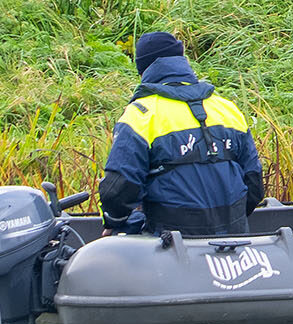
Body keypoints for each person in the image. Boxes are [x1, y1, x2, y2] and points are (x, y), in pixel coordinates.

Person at [99, 31, 265, 236]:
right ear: (182, 62)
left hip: (172, 248)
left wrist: (114, 223)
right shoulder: (227, 109)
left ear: (143, 70)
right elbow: (254, 184)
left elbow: (118, 189)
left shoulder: (141, 114)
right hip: (233, 245)